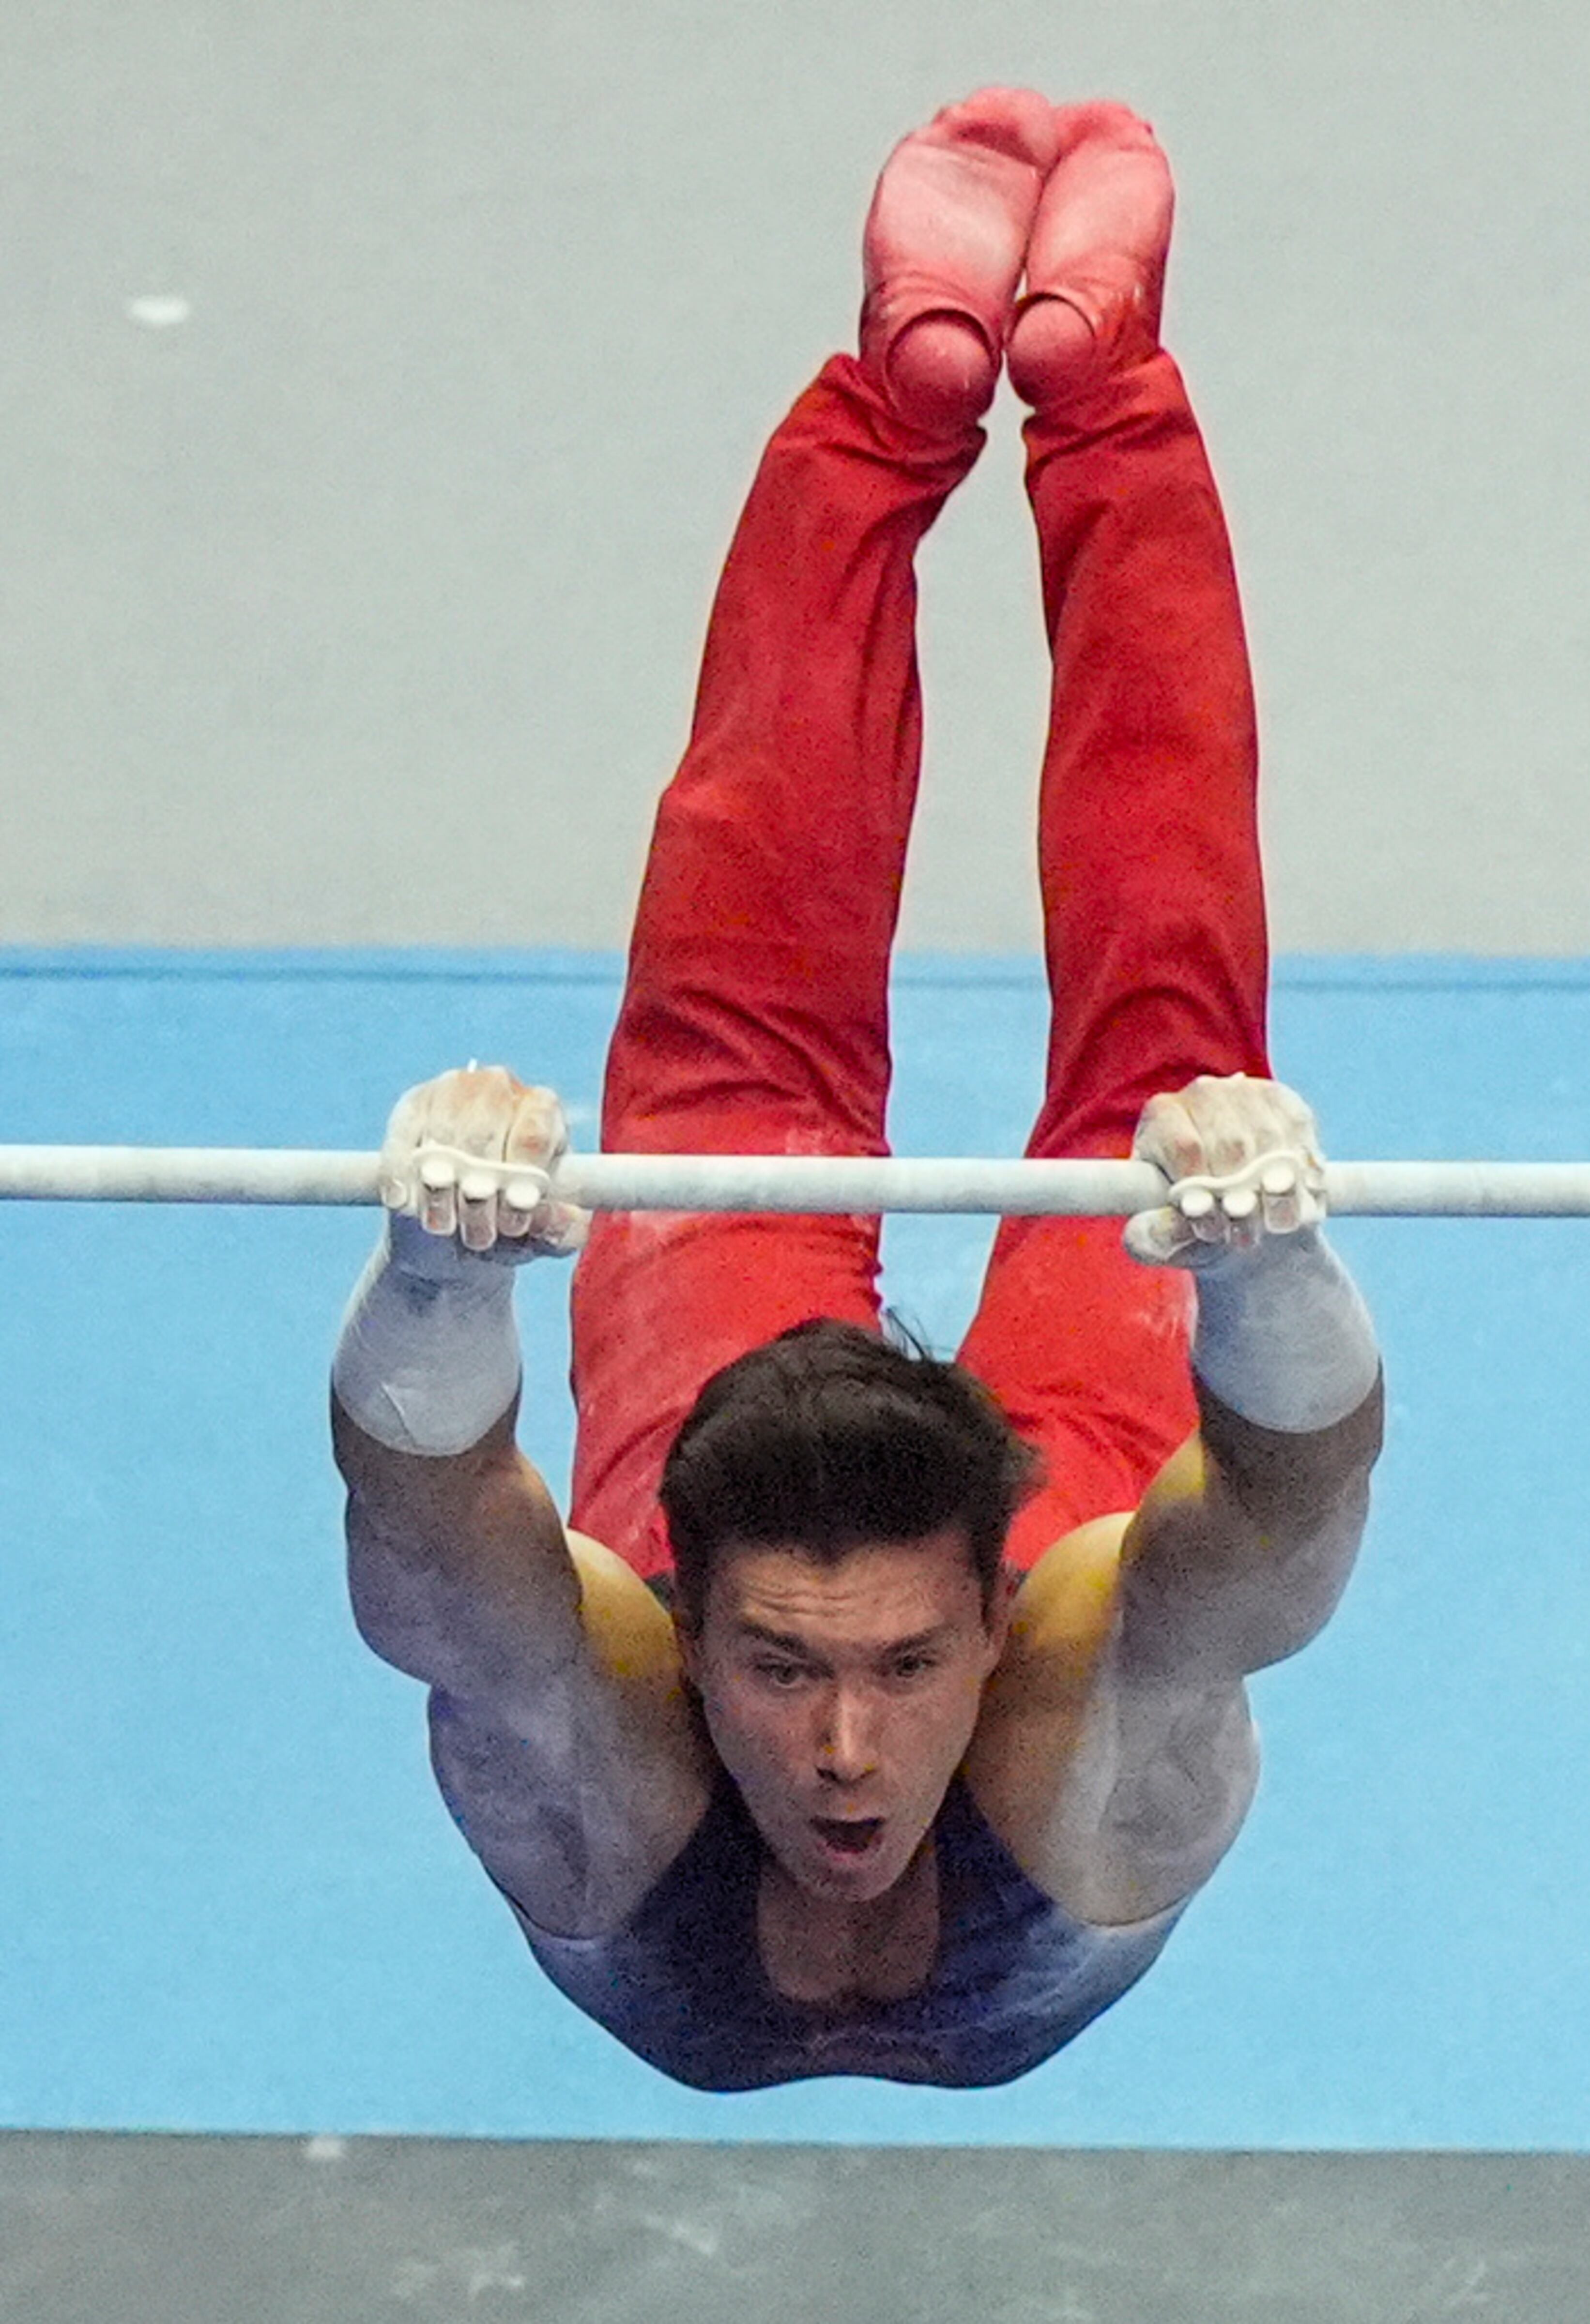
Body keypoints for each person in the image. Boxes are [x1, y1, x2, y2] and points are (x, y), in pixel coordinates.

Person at [331, 89, 1383, 2091]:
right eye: (783, 1665)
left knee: (745, 1063)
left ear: (998, 1620)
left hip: (972, 1549)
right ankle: (1113, 387)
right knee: (1164, 1094)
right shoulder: (620, 1719)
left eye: (904, 1666)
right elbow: (425, 1539)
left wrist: (440, 1284)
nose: (841, 1746)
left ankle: (902, 401)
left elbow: (1292, 1512)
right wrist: (1264, 1270)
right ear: (678, 1614)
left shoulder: (1071, 1681)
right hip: (863, 1549)